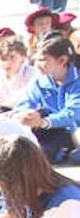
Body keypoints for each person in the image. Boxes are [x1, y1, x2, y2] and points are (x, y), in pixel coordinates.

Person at [12, 34, 80, 162]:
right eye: (36, 60)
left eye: (43, 60)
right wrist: (27, 114)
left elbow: (73, 113)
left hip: (74, 129)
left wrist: (42, 122)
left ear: (62, 60)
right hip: (53, 130)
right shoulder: (39, 82)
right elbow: (25, 103)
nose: (37, 65)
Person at [0, 35, 34, 112]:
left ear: (22, 57)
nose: (7, 63)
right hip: (5, 109)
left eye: (12, 57)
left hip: (28, 109)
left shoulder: (31, 73)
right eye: (3, 59)